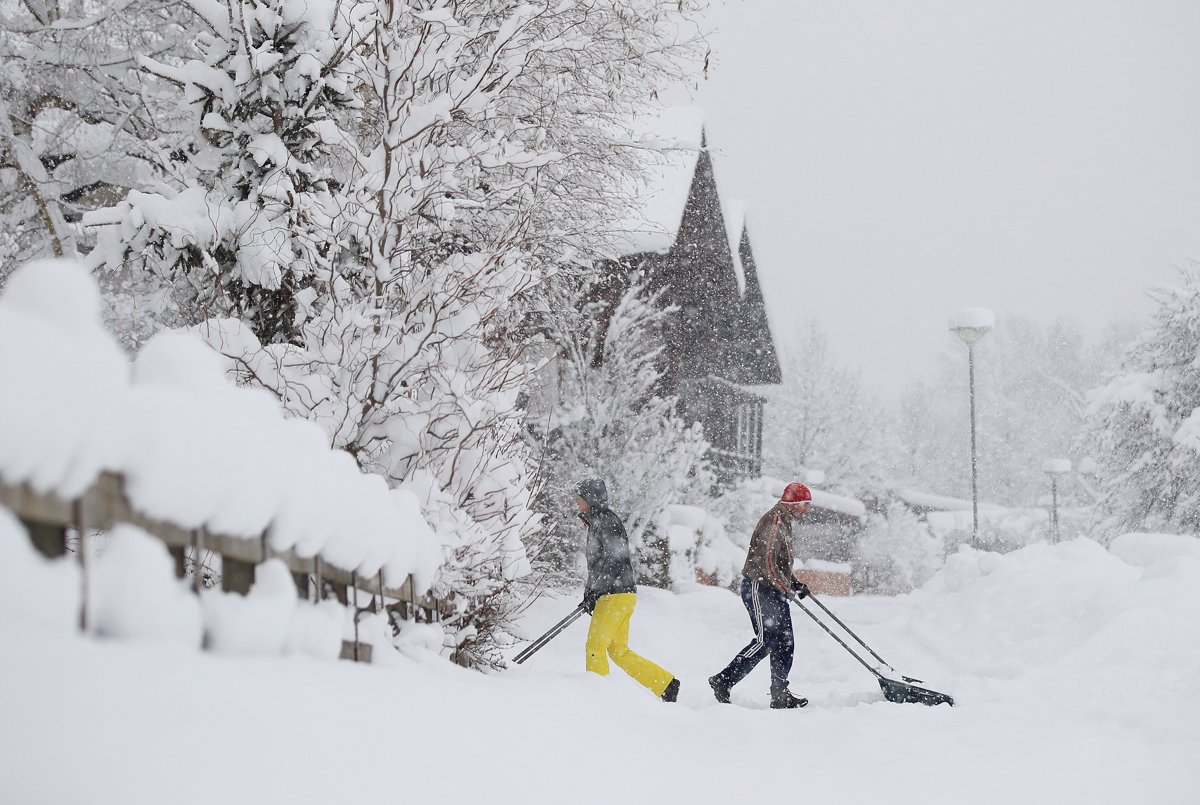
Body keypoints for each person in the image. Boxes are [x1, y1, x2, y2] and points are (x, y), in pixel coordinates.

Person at [708, 482, 813, 709]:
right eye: (805, 504)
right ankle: (723, 680)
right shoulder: (774, 521)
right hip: (759, 587)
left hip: (774, 589)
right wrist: (785, 586)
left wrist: (794, 583)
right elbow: (767, 562)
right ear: (793, 503)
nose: (806, 510)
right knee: (767, 640)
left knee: (785, 641)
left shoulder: (785, 522)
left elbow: (779, 563)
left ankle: (780, 693)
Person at [576, 478, 680, 703]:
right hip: (619, 594)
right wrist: (589, 593)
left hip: (613, 595)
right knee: (618, 651)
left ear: (590, 499)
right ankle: (665, 684)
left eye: (580, 498)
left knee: (595, 647)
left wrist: (597, 591)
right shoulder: (598, 522)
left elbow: (615, 560)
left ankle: (598, 698)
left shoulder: (606, 521)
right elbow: (598, 565)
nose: (577, 502)